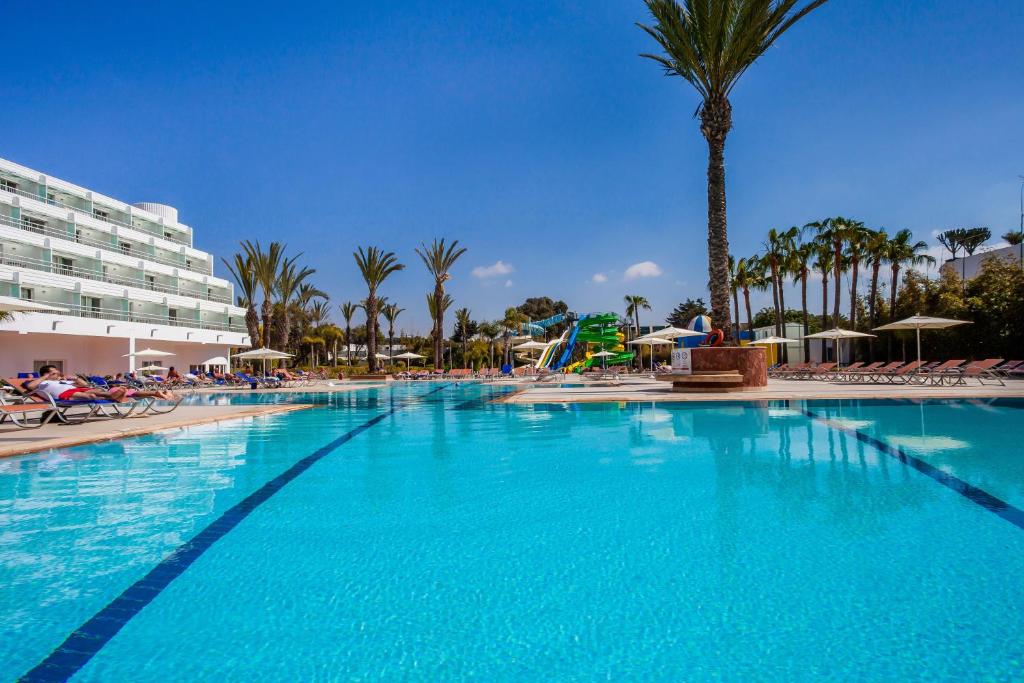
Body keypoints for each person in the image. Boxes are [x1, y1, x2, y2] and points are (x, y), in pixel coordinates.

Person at [25, 365, 174, 402]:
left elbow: (85, 384)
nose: (57, 374)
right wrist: (45, 377)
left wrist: (76, 379)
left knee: (91, 390)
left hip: (75, 389)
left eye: (57, 372)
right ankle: (114, 395)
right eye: (54, 373)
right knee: (87, 394)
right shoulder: (41, 383)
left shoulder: (62, 380)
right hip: (63, 395)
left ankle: (114, 395)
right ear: (45, 373)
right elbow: (30, 387)